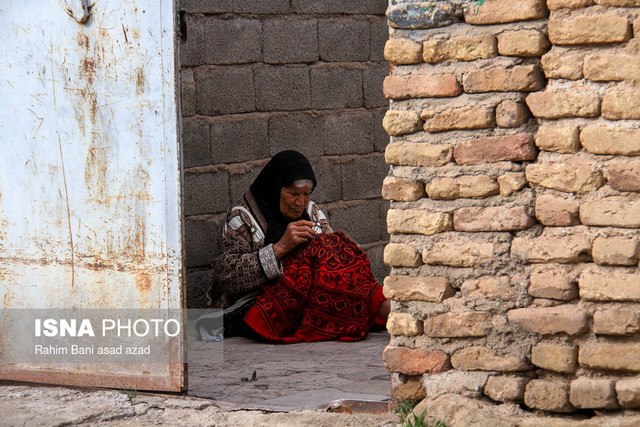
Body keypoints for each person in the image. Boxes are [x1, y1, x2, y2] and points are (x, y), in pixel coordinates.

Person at [205, 150, 389, 343]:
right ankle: (392, 310)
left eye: (306, 194)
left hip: (303, 298)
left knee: (334, 252)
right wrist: (279, 249)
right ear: (275, 189)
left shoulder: (311, 212)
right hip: (255, 299)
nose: (300, 202)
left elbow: (336, 265)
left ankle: (389, 308)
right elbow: (228, 276)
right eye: (293, 194)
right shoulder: (241, 217)